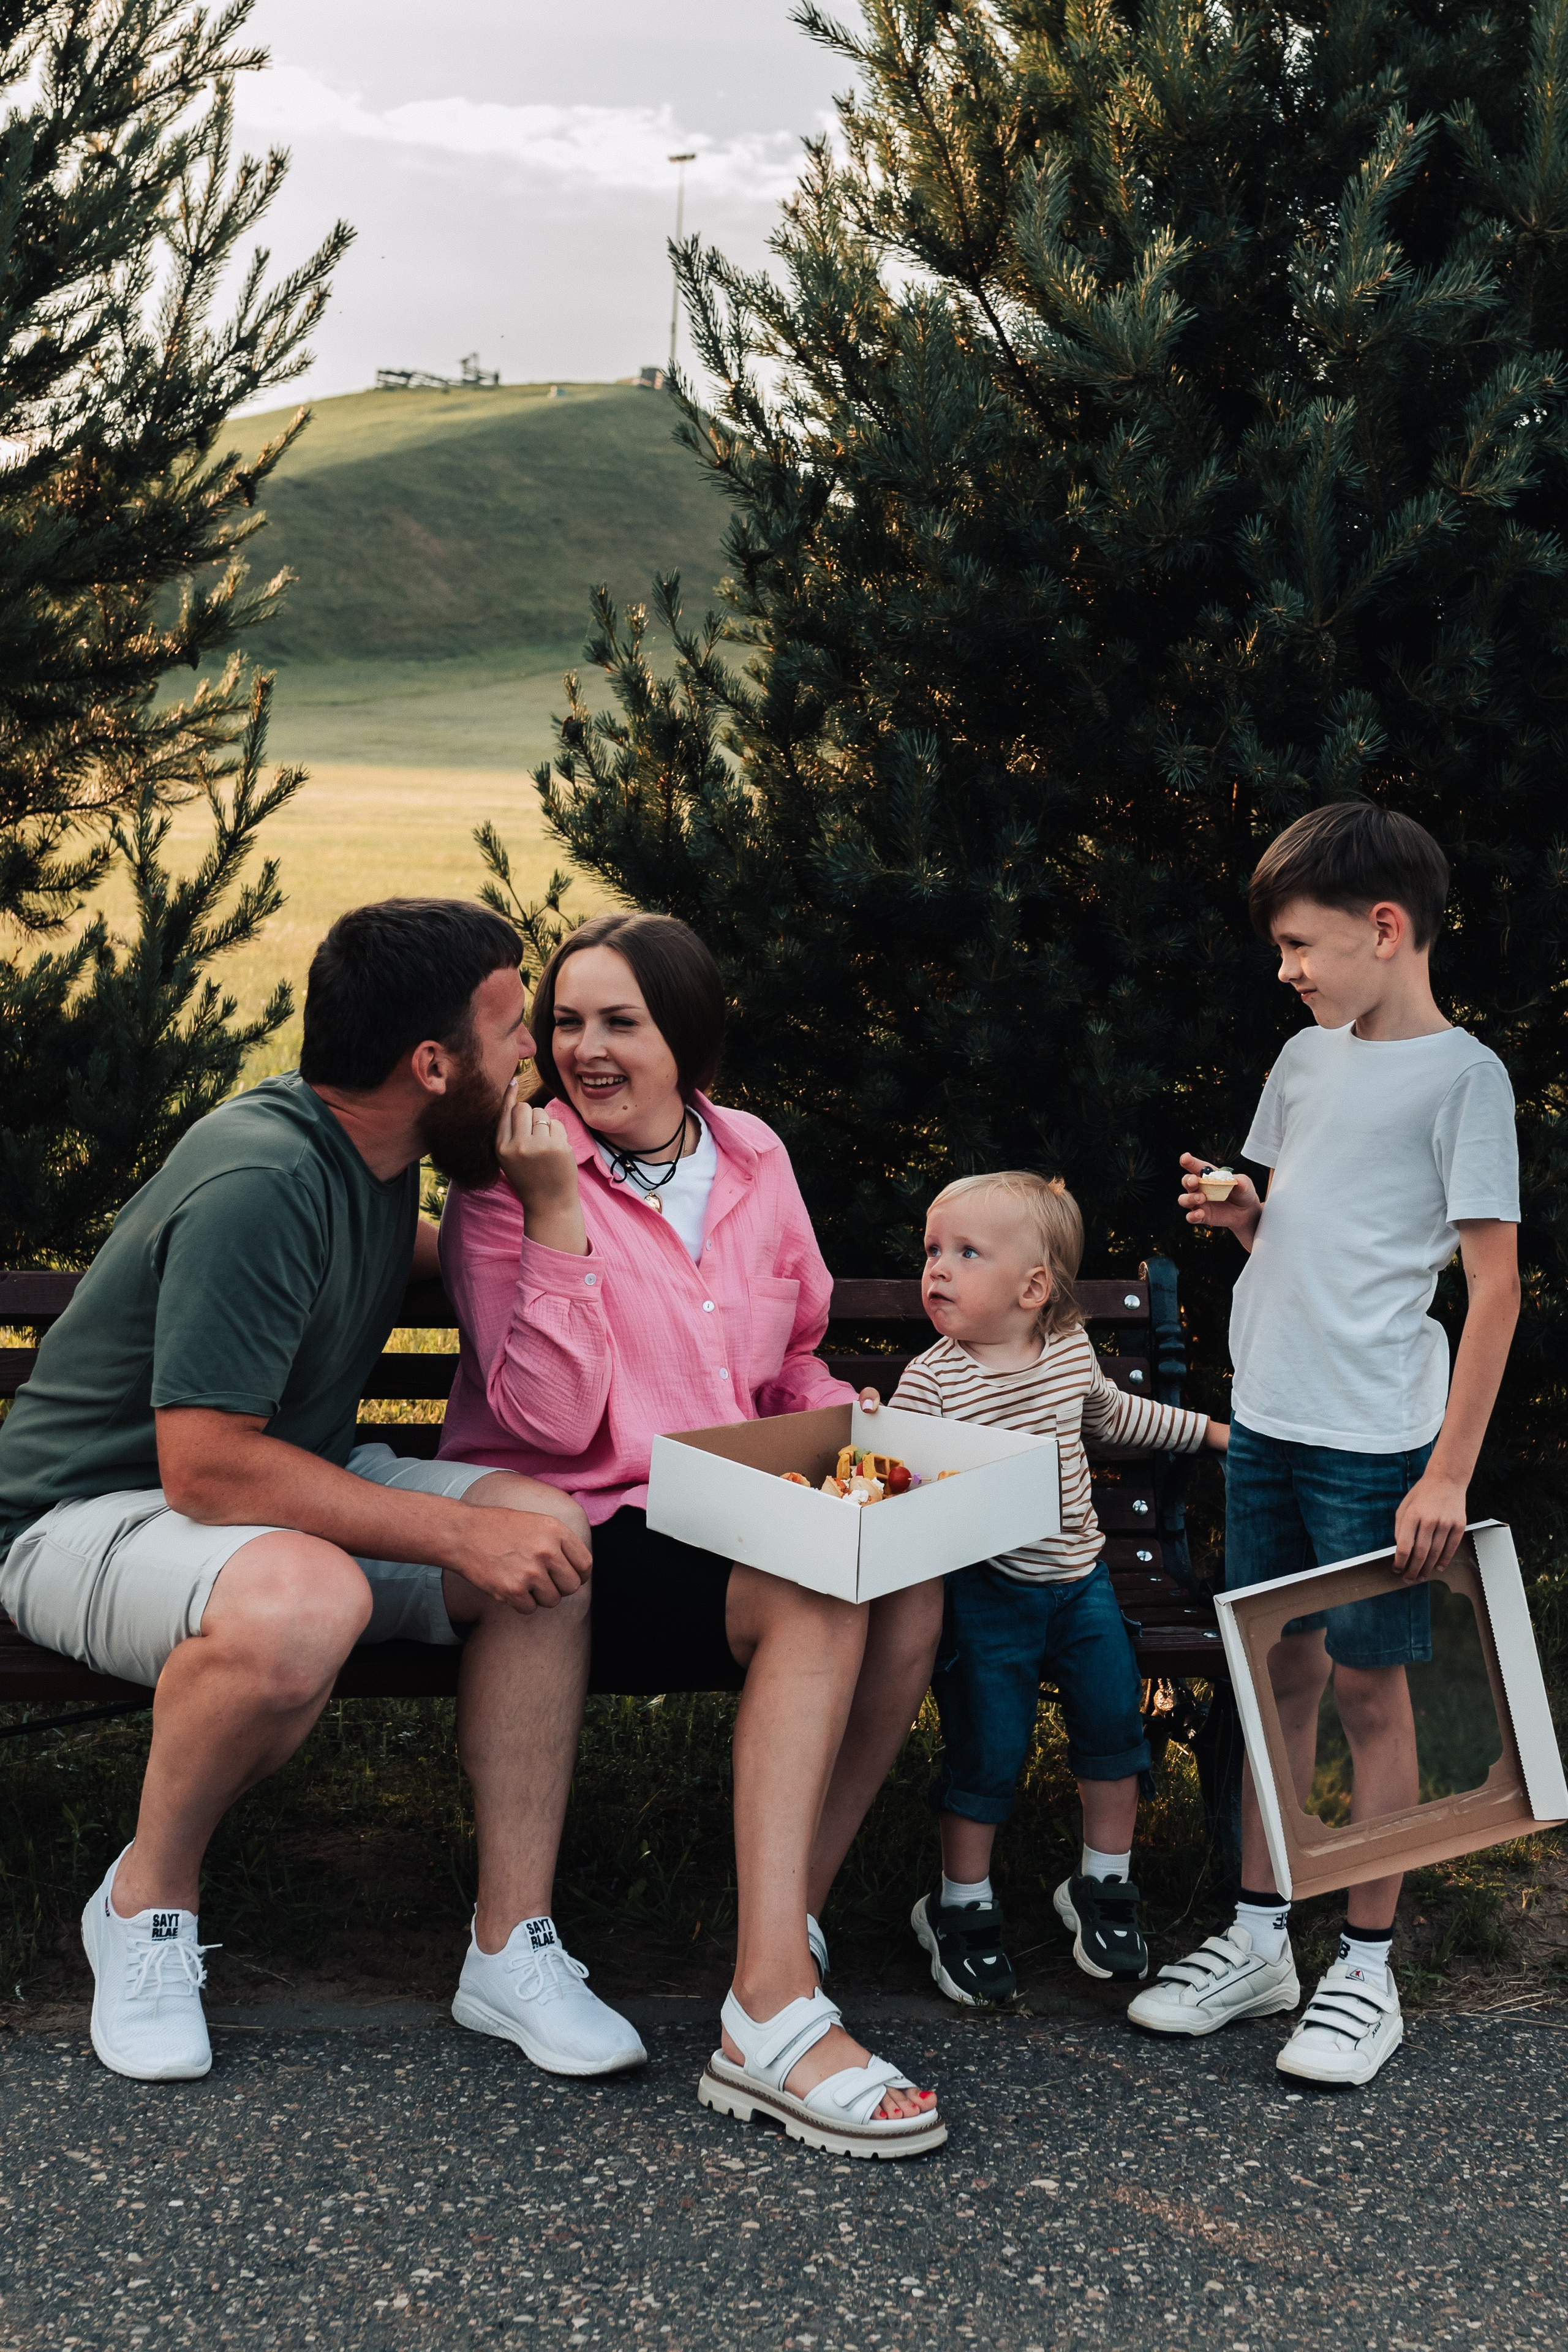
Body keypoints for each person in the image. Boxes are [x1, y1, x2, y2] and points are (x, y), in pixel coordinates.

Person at [0, 899, 648, 2086]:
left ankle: (511, 1947)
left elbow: (424, 1266)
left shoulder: (372, 1155)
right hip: (88, 1515)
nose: (532, 1064)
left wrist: (554, 1232)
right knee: (307, 1605)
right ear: (432, 1063)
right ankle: (144, 1904)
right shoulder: (263, 1177)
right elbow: (204, 1468)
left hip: (246, 1508)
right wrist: (457, 1533)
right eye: (512, 1033)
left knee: (543, 1537)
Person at [436, 908, 947, 2157]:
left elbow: (793, 1352)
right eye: (565, 1023)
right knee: (818, 1587)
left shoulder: (755, 1154)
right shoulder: (512, 1177)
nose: (586, 1050)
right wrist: (555, 1206)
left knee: (907, 1577)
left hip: (731, 1511)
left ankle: (784, 1931)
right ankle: (767, 2012)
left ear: (689, 1039)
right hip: (577, 1528)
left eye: (622, 1022)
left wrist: (854, 1436)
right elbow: (548, 1425)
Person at [1129, 802, 1520, 2086]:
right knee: (1273, 1683)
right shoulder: (1302, 1063)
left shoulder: (1464, 1079)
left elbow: (1493, 1289)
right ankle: (1256, 1942)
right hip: (1269, 1428)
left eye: (1299, 945)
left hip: (1370, 1445)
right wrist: (1246, 1209)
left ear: (1383, 928)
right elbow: (1299, 1232)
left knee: (1365, 1690)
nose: (1286, 970)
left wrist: (1444, 1474)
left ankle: (1363, 1968)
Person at [864, 1171, 1224, 2003]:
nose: (937, 1270)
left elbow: (1113, 1414)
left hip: (1082, 1586)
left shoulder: (1065, 1353)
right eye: (931, 1252)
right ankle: (960, 1903)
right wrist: (878, 1430)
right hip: (989, 1596)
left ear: (1033, 1288)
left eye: (964, 1252)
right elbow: (893, 1474)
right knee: (988, 1749)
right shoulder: (935, 1380)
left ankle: (1103, 1885)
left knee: (1112, 1730)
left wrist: (1206, 1432)